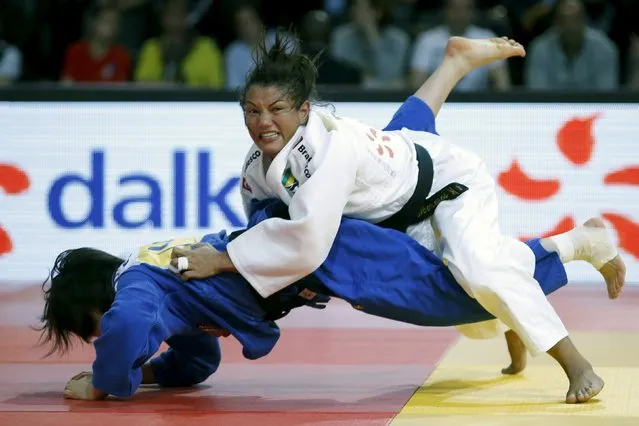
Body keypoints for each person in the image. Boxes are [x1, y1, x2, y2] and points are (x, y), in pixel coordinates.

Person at [172, 34, 626, 404]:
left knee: (479, 271)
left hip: (445, 185)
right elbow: (266, 227)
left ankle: (575, 361)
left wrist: (224, 258)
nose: (262, 122)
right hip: (393, 189)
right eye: (252, 111)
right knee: (455, 295)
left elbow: (308, 242)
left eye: (276, 110)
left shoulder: (326, 154)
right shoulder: (258, 166)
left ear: (304, 110)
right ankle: (552, 272)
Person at [44, 197, 572, 401]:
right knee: (451, 284)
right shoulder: (151, 276)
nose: (99, 336)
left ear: (95, 302)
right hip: (312, 262)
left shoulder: (134, 290)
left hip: (325, 256)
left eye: (90, 329)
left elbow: (127, 327)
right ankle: (510, 310)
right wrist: (154, 374)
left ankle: (572, 243)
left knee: (449, 297)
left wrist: (106, 382)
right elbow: (195, 356)